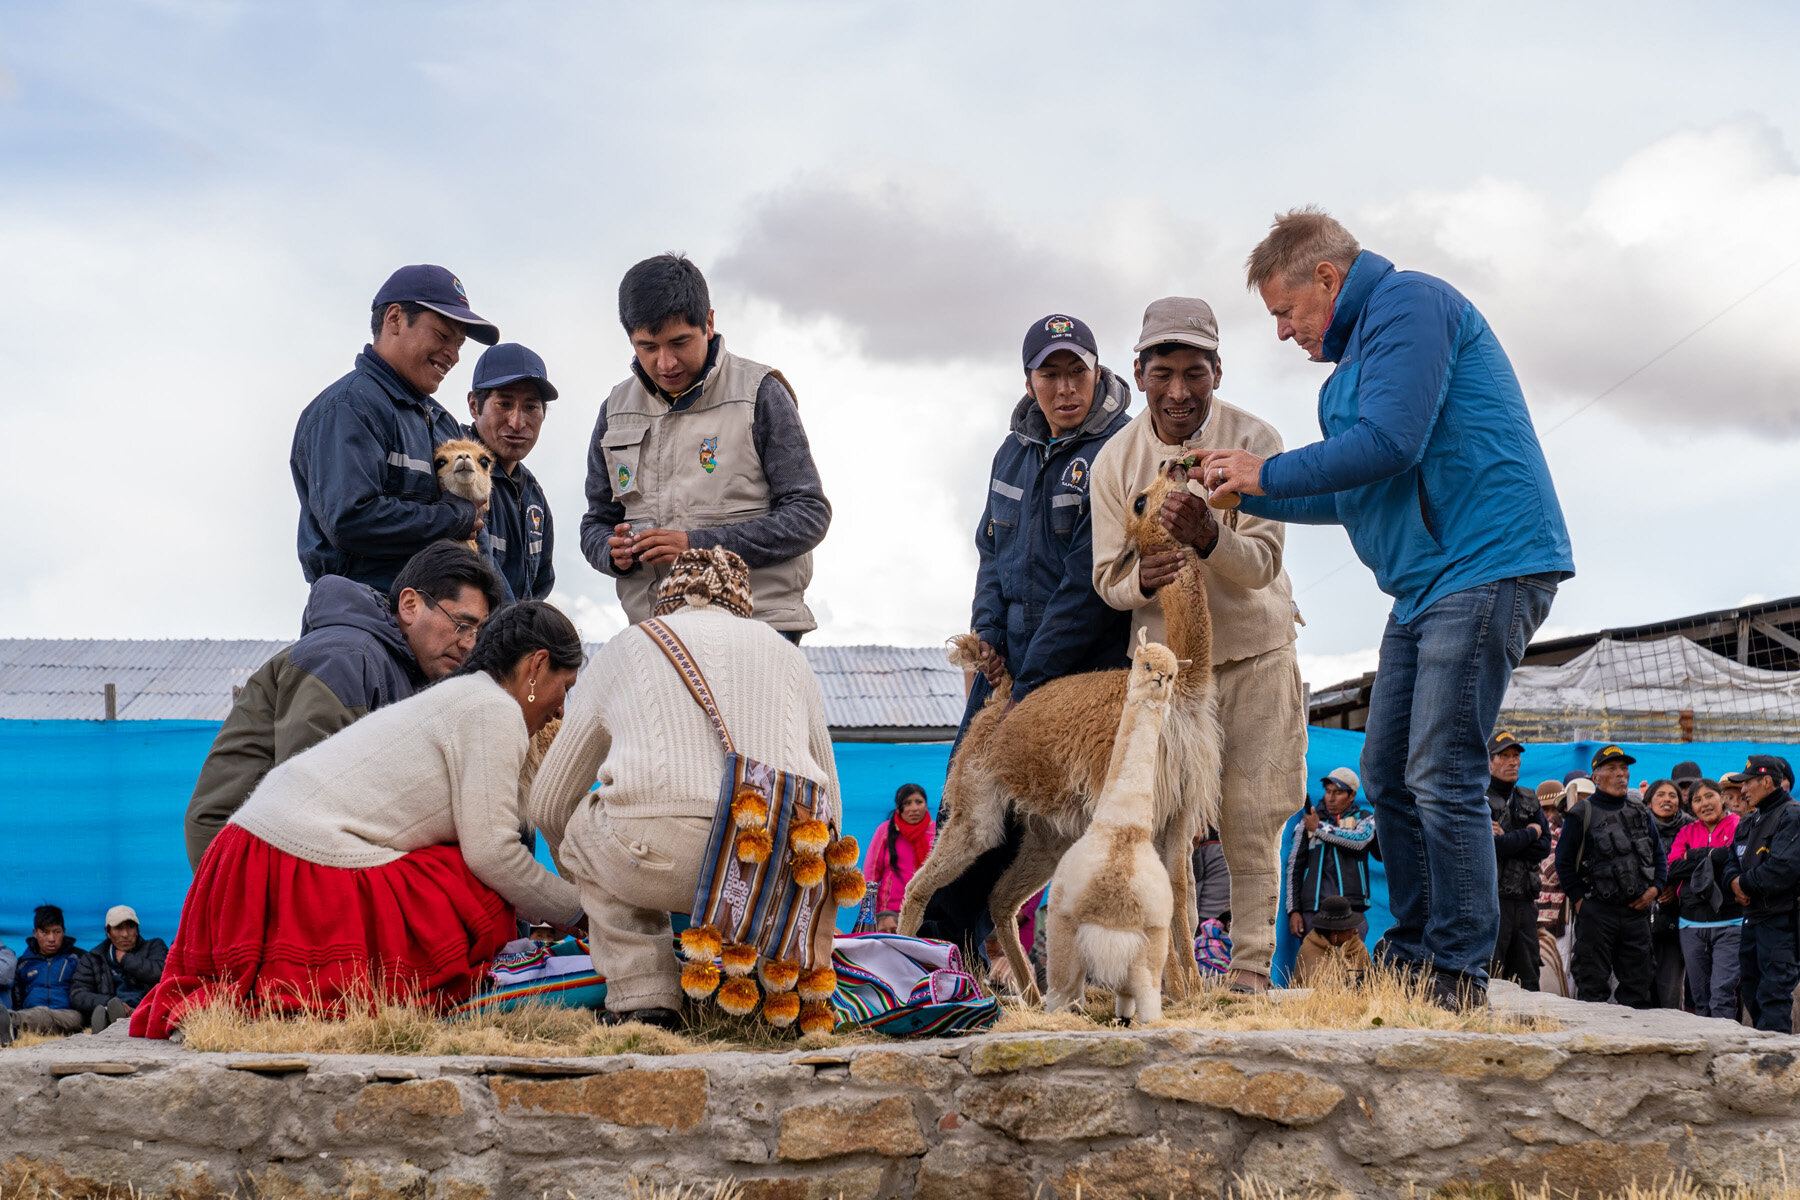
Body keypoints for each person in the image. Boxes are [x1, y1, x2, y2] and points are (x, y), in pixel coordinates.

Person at [1204, 209, 1574, 1010]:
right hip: (1427, 585)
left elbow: (1393, 442)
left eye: (1285, 310)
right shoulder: (1347, 375)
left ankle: (1456, 971)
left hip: (1485, 562)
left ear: (1328, 280)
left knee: (1442, 768)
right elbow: (1354, 484)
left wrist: (1264, 470)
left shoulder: (1410, 306)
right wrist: (1249, 490)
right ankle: (1410, 953)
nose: (1281, 332)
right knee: (1387, 775)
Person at [132, 603, 586, 1040]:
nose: (561, 710)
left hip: (248, 859)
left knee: (467, 871)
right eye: (564, 687)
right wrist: (582, 912)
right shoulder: (494, 710)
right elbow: (493, 854)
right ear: (535, 666)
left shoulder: (460, 699)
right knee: (470, 887)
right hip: (292, 864)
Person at [1088, 298, 1305, 993]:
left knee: (1253, 815)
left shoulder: (1256, 440)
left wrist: (1209, 537)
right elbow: (1106, 577)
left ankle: (1246, 976)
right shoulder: (1116, 461)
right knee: (1158, 823)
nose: (1178, 391)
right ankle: (1169, 972)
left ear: (1217, 371)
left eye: (1194, 372)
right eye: (1163, 373)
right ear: (1139, 373)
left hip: (1256, 654)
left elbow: (1264, 564)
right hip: (1166, 672)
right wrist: (1140, 581)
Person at [530, 548, 839, 1028]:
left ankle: (644, 991)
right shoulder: (786, 654)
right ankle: (761, 997)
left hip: (655, 853)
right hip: (772, 861)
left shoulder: (629, 646)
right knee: (792, 841)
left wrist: (580, 866)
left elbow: (548, 803)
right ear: (744, 603)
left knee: (584, 821)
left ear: (667, 599)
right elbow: (830, 804)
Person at [916, 313, 1133, 949]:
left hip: (1082, 673)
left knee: (1053, 826)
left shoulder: (1118, 450)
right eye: (1051, 374)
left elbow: (1086, 584)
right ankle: (938, 954)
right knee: (967, 806)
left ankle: (1086, 971)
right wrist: (985, 631)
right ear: (1030, 379)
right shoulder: (1010, 452)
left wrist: (1035, 684)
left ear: (1098, 372)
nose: (1066, 389)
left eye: (1077, 373)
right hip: (1006, 670)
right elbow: (990, 549)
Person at [184, 542, 504, 867]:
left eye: (477, 632)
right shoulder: (344, 659)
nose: (468, 645)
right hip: (246, 863)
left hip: (282, 855)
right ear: (410, 605)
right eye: (462, 625)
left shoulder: (394, 670)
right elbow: (308, 806)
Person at [581, 254, 830, 640]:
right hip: (657, 633)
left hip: (757, 627)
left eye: (679, 342)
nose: (665, 363)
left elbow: (808, 515)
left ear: (709, 323)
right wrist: (611, 554)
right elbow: (596, 522)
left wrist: (695, 546)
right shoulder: (615, 411)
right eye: (647, 347)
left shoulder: (760, 394)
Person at [292, 265, 501, 595]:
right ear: (394, 319)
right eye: (444, 336)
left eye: (460, 344)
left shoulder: (442, 422)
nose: (454, 356)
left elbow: (476, 532)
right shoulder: (349, 406)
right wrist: (453, 519)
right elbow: (350, 520)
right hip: (365, 615)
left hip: (438, 621)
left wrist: (503, 619)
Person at [1555, 746, 1664, 1008]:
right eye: (1612, 769)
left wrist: (1655, 889)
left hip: (1636, 913)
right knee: (1592, 986)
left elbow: (1659, 855)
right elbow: (1564, 862)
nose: (1621, 775)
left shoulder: (1641, 812)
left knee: (1639, 986)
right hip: (1597, 913)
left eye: (1624, 769)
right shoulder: (1582, 813)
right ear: (1596, 777)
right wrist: (1582, 902)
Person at [467, 343, 560, 602]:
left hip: (512, 639)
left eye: (531, 407)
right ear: (475, 406)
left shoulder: (533, 496)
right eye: (504, 404)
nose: (517, 422)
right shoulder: (457, 472)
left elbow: (541, 583)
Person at [1726, 756, 1800, 1033]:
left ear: (1766, 781)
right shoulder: (1749, 820)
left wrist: (1742, 884)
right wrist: (1734, 881)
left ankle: (1778, 1065)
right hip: (1752, 920)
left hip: (1780, 922)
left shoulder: (1792, 814)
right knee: (1753, 991)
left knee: (1773, 995)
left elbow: (1783, 868)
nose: (1742, 791)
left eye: (1747, 783)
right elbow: (1731, 859)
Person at [1665, 778, 1742, 1020]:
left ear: (1722, 798)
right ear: (1691, 807)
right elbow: (1672, 868)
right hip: (1691, 924)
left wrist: (1696, 855)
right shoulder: (1686, 831)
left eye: (1710, 796)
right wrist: (1713, 859)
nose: (1704, 803)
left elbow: (1734, 858)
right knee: (1699, 997)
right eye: (1697, 800)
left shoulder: (1738, 826)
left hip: (1730, 923)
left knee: (1722, 994)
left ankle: (1726, 1050)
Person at [1487, 732, 1551, 991]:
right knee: (1491, 974)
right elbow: (1492, 848)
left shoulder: (1529, 797)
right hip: (1492, 903)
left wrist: (1512, 839)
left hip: (1525, 902)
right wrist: (1530, 833)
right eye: (1505, 756)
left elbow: (1544, 847)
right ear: (1489, 762)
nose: (1513, 762)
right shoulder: (1478, 798)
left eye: (1516, 756)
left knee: (1528, 977)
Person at [1286, 768, 1376, 938]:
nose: (1331, 798)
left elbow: (1360, 841)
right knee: (1313, 964)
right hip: (1314, 910)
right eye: (1328, 791)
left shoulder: (1364, 818)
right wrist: (1294, 910)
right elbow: (1293, 868)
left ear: (1352, 796)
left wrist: (1318, 829)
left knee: (1351, 963)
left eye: (1338, 792)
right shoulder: (1307, 824)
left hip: (1351, 909)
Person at [69, 906, 167, 1033]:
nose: (125, 934)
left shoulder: (154, 946)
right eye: (119, 928)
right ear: (108, 932)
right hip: (112, 1004)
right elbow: (78, 995)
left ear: (137, 930)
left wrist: (126, 959)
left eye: (130, 927)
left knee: (142, 1010)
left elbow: (162, 973)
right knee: (109, 1009)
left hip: (146, 1006)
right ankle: (111, 1018)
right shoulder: (94, 958)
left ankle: (122, 1020)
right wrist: (111, 1002)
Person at [1643, 778, 1694, 1008]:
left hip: (1676, 917)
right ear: (1649, 801)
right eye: (1660, 795)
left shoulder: (1691, 828)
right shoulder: (1638, 826)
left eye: (1672, 795)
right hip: (1640, 914)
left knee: (1671, 986)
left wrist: (1676, 888)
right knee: (1641, 984)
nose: (1667, 799)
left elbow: (1698, 868)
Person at [864, 784, 935, 933]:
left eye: (919, 802)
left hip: (927, 911)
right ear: (898, 808)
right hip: (889, 915)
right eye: (907, 803)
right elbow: (871, 872)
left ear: (926, 805)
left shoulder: (936, 831)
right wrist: (869, 912)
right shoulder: (885, 831)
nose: (914, 808)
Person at [10, 906, 84, 1037]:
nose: (51, 938)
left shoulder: (77, 959)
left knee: (42, 1014)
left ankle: (10, 1020)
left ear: (64, 932)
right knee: (34, 1015)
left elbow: (84, 992)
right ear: (35, 933)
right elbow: (17, 997)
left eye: (57, 932)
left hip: (69, 1017)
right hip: (29, 1016)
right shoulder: (23, 963)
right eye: (45, 932)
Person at [1294, 896, 1373, 987]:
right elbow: (1310, 988)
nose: (1356, 931)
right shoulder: (1310, 951)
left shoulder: (1358, 948)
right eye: (1350, 928)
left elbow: (1370, 984)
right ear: (1336, 933)